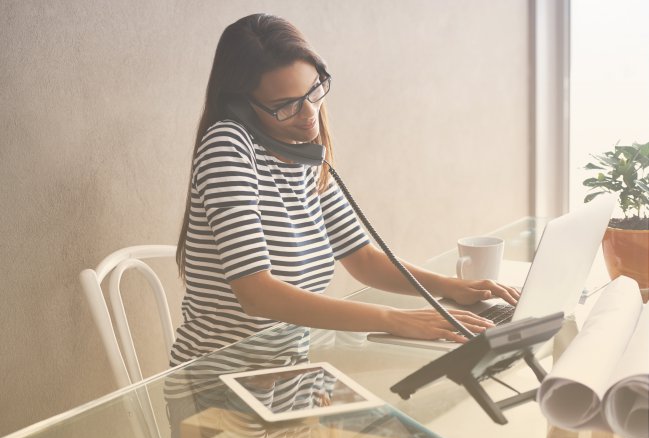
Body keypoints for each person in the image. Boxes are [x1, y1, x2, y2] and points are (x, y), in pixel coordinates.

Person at [170, 13, 520, 368]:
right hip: (220, 380)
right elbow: (257, 294)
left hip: (293, 373)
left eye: (314, 90)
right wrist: (394, 319)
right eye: (286, 105)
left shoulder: (301, 153)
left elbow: (362, 258)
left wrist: (447, 286)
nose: (309, 114)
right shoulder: (227, 147)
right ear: (242, 106)